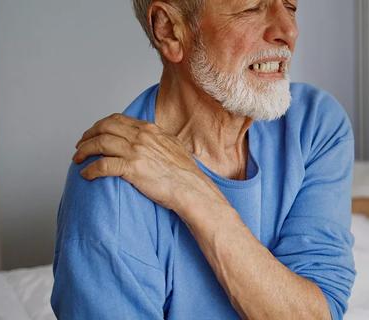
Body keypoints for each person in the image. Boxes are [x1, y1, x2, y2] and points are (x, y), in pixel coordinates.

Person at [51, 0, 355, 319]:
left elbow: (318, 313)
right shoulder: (111, 183)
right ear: (169, 30)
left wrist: (195, 193)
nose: (288, 30)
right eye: (252, 7)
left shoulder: (313, 125)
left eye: (291, 6)